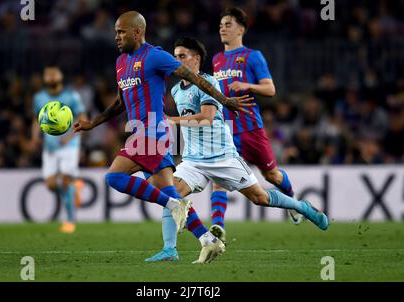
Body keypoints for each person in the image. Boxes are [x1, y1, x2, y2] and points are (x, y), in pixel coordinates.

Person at [73, 11, 252, 259]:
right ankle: (203, 240)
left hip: (152, 131)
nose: (116, 37)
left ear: (137, 32)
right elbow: (120, 101)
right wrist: (93, 123)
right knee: (168, 191)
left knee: (114, 177)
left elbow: (193, 77)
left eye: (121, 31)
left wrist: (222, 99)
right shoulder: (121, 62)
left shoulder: (154, 56)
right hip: (139, 132)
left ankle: (174, 207)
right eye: (115, 32)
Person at [148, 36, 329, 263]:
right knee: (169, 194)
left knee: (260, 198)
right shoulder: (176, 90)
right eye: (175, 57)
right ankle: (169, 250)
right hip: (194, 160)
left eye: (182, 56)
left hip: (223, 157)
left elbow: (207, 117)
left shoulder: (208, 82)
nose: (177, 61)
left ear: (196, 59)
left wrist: (171, 121)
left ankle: (302, 207)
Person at [209, 7, 303, 243]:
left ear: (241, 29)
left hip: (251, 129)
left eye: (228, 24)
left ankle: (292, 201)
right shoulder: (217, 60)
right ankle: (217, 229)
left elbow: (270, 89)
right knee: (219, 179)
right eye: (221, 24)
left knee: (271, 175)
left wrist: (247, 86)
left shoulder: (253, 56)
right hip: (227, 132)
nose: (222, 28)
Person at [32, 66, 87, 233]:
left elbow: (82, 119)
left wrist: (71, 137)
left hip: (69, 144)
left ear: (61, 76)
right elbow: (37, 119)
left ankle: (70, 221)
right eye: (47, 74)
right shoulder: (39, 97)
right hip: (50, 146)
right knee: (50, 184)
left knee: (64, 180)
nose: (50, 76)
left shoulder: (72, 95)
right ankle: (75, 187)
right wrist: (34, 137)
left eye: (53, 74)